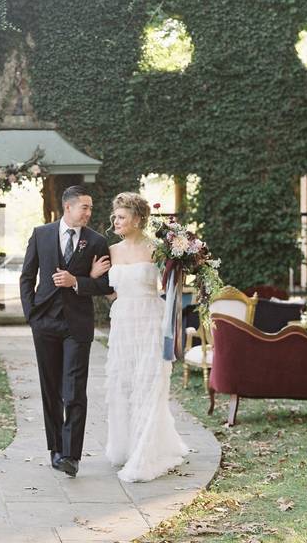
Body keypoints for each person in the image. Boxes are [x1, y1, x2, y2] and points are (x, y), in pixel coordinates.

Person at [91, 192, 188, 483]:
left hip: (150, 319)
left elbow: (172, 285)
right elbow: (107, 287)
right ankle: (127, 446)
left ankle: (145, 453)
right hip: (122, 323)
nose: (115, 221)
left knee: (149, 382)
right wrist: (107, 289)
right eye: (115, 216)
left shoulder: (159, 249)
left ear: (137, 218)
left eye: (121, 217)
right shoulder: (112, 250)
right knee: (124, 383)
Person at [20, 185, 113, 478]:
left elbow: (108, 285)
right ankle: (55, 449)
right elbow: (26, 276)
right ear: (68, 207)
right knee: (50, 390)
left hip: (77, 325)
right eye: (84, 207)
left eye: (90, 208)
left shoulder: (97, 242)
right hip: (45, 322)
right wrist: (31, 314)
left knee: (74, 391)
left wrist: (78, 281)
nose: (89, 213)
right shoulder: (41, 234)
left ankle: (72, 456)